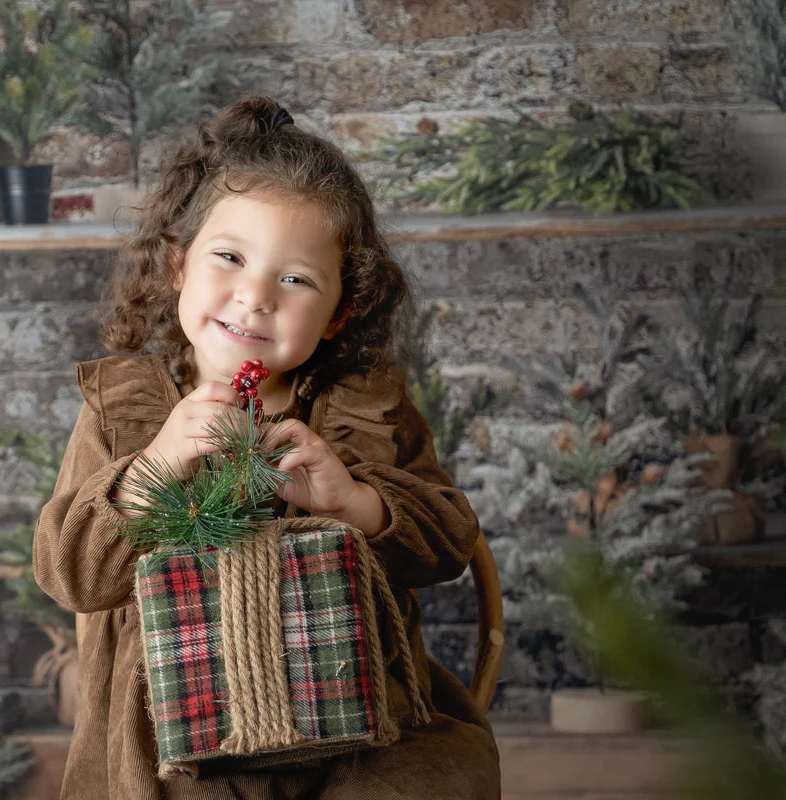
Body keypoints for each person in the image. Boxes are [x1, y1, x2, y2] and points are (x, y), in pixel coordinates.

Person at [33, 94, 500, 800]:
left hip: (358, 739)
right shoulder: (125, 414)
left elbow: (448, 543)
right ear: (176, 266)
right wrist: (155, 468)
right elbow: (68, 572)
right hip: (170, 752)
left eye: (295, 279)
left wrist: (356, 503)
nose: (255, 297)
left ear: (340, 310)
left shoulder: (367, 411)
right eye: (228, 257)